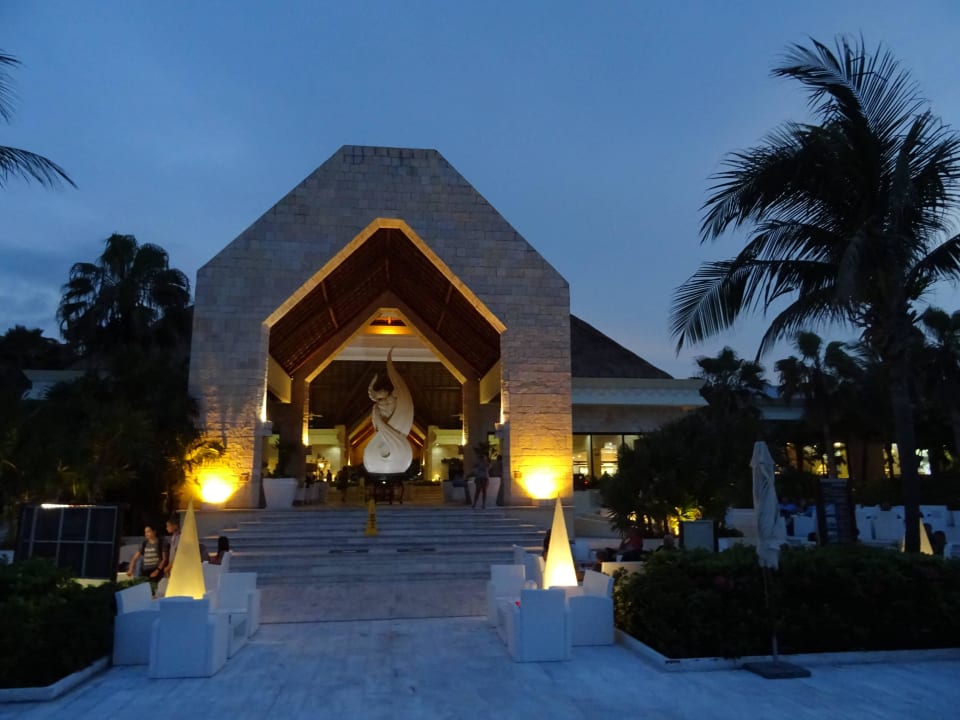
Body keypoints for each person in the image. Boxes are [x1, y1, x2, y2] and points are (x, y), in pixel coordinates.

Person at [127, 524, 167, 593]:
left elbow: (164, 559)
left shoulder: (161, 543)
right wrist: (131, 569)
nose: (146, 534)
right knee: (145, 590)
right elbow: (135, 558)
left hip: (156, 570)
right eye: (145, 532)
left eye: (148, 531)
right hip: (145, 571)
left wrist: (157, 571)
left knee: (153, 589)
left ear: (154, 532)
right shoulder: (144, 543)